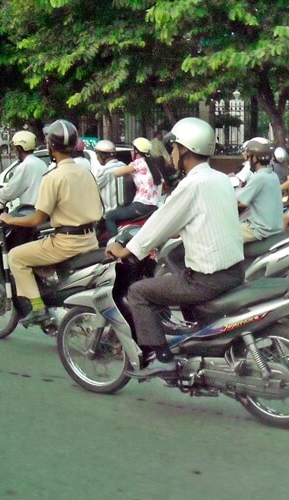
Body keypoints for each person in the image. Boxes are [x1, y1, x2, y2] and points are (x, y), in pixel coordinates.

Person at [105, 117, 245, 378]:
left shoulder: (191, 185)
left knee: (139, 292)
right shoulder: (220, 179)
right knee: (175, 262)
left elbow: (161, 221)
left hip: (206, 280)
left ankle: (162, 357)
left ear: (184, 150)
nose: (171, 154)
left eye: (173, 148)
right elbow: (203, 217)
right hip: (235, 270)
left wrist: (128, 249)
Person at [0, 119, 103, 326]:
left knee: (16, 257)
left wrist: (10, 219)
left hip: (66, 244)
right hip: (90, 240)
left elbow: (38, 219)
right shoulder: (86, 172)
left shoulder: (53, 177)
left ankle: (38, 308)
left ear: (50, 146)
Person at [104, 137, 162, 237]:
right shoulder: (151, 163)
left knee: (110, 216)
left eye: (132, 149)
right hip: (153, 205)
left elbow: (117, 173)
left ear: (136, 151)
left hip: (141, 205)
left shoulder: (138, 163)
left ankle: (113, 241)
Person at [236, 139, 283, 242]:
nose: (248, 161)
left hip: (260, 229)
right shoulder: (273, 175)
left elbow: (240, 202)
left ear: (255, 158)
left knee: (225, 234)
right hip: (273, 227)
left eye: (249, 157)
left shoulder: (259, 178)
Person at [0, 131, 47, 210]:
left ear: (20, 148)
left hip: (30, 210)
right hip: (42, 210)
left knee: (1, 221)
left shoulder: (25, 165)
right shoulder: (41, 163)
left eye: (15, 148)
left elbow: (10, 191)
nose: (14, 151)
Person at [92, 139, 127, 212]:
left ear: (103, 156)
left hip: (107, 212)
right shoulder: (123, 166)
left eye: (97, 155)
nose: (97, 158)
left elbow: (92, 188)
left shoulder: (105, 171)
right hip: (123, 210)